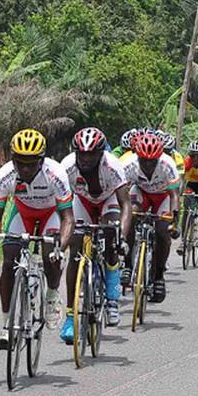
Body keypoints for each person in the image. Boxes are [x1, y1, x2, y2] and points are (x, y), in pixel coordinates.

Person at [0, 129, 74, 349]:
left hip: (50, 214)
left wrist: (59, 248)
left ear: (41, 161)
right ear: (13, 160)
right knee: (8, 263)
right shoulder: (5, 174)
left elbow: (68, 219)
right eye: (20, 163)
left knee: (49, 256)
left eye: (31, 163)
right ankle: (6, 326)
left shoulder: (56, 174)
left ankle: (52, 293)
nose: (25, 169)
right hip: (23, 213)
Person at [60, 128, 132, 340]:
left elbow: (125, 204)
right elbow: (59, 202)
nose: (86, 158)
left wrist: (122, 238)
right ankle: (70, 317)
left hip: (108, 201)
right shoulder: (67, 166)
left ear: (101, 153)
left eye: (91, 154)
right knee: (75, 249)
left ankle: (111, 298)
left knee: (111, 238)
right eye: (82, 153)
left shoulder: (113, 166)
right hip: (81, 202)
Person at [122, 132, 180, 303]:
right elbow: (120, 194)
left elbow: (175, 196)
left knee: (163, 231)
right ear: (137, 156)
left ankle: (159, 276)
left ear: (159, 157)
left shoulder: (167, 164)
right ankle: (127, 265)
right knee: (131, 214)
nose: (147, 165)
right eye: (143, 161)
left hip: (163, 196)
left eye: (152, 161)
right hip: (141, 193)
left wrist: (175, 222)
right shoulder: (128, 164)